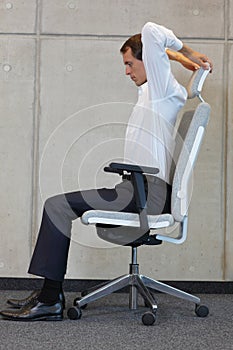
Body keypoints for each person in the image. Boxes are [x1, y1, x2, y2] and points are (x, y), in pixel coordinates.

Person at [0, 22, 212, 321]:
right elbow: (154, 50)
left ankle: (50, 300)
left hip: (146, 194)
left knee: (56, 205)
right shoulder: (153, 91)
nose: (127, 72)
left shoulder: (163, 93)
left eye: (130, 63)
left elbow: (151, 30)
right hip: (136, 189)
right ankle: (48, 294)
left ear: (148, 61)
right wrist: (174, 58)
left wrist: (186, 53)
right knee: (58, 205)